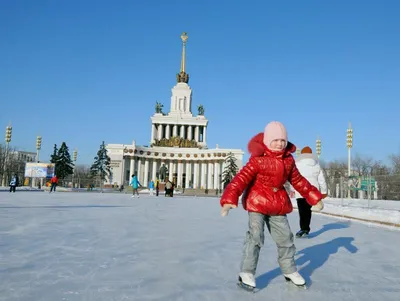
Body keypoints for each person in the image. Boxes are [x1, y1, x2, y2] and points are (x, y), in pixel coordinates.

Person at [220, 121, 324, 290]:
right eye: (275, 140)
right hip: (257, 202)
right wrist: (228, 199)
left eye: (283, 140)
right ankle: (246, 272)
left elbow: (298, 181)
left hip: (277, 204)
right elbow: (241, 179)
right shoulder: (257, 159)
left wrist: (314, 197)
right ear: (268, 141)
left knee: (286, 239)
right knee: (255, 236)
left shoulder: (288, 161)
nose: (279, 143)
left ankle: (289, 270)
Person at [294, 146, 327, 238]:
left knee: (302, 211)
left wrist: (293, 189)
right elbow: (321, 179)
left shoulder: (297, 164)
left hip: (300, 190)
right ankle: (306, 229)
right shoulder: (317, 165)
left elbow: (293, 178)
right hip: (312, 191)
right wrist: (324, 191)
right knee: (308, 211)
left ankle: (303, 228)